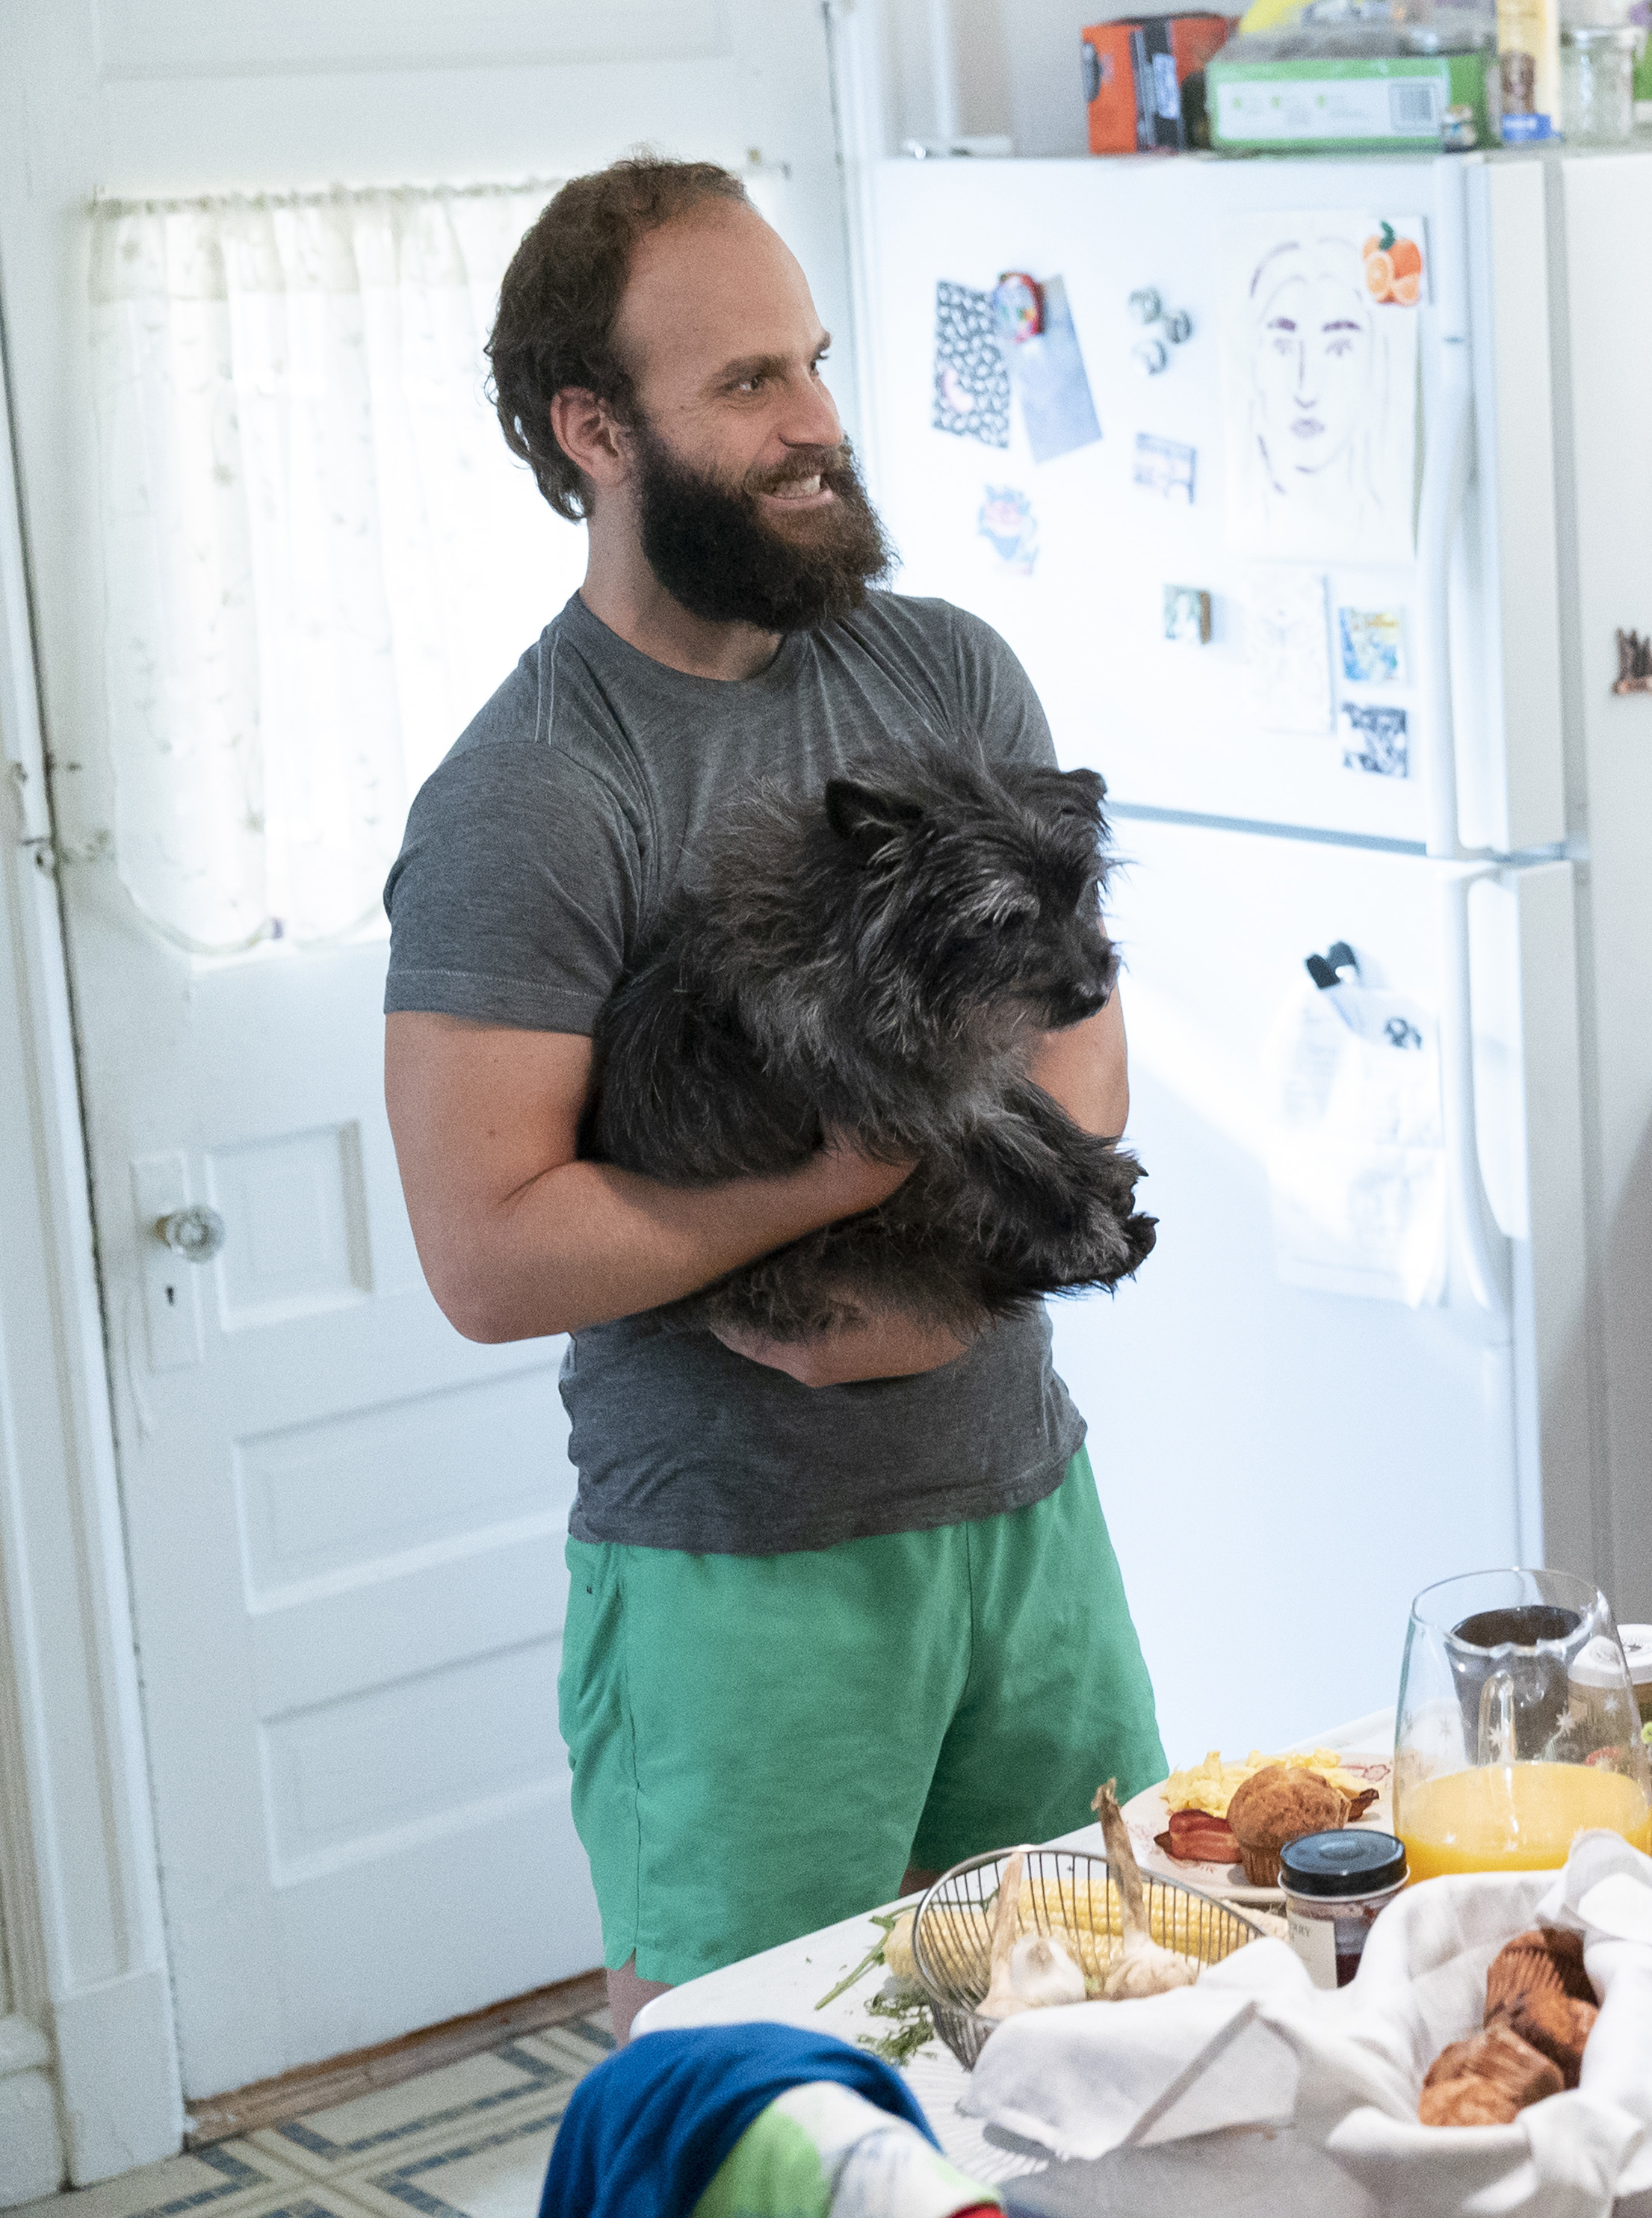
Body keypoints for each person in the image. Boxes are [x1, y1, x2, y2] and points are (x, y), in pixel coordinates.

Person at [382, 155, 1168, 2038]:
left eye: (812, 362)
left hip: (1024, 1508)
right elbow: (489, 1254)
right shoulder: (529, 797)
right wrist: (840, 1182)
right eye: (747, 383)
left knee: (1126, 2059)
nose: (816, 421)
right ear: (594, 431)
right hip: (737, 1578)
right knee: (770, 2106)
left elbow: (1083, 1049)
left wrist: (928, 1298)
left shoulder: (946, 672)